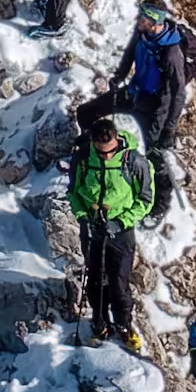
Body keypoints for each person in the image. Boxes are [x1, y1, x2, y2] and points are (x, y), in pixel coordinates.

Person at [64, 95, 158, 348]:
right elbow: (74, 193)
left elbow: (146, 200)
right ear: (94, 143)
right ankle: (99, 323)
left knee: (119, 281)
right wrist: (84, 218)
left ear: (117, 140)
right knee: (94, 280)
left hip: (121, 230)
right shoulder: (83, 159)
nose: (106, 157)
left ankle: (125, 325)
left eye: (111, 151)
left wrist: (121, 222)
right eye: (101, 152)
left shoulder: (134, 161)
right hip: (93, 228)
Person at [113, 0, 191, 211]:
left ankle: (160, 205)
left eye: (144, 17)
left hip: (158, 109)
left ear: (155, 21)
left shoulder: (171, 54)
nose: (139, 19)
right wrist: (119, 76)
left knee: (153, 155)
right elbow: (130, 53)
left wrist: (169, 129)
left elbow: (178, 94)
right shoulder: (143, 34)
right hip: (138, 95)